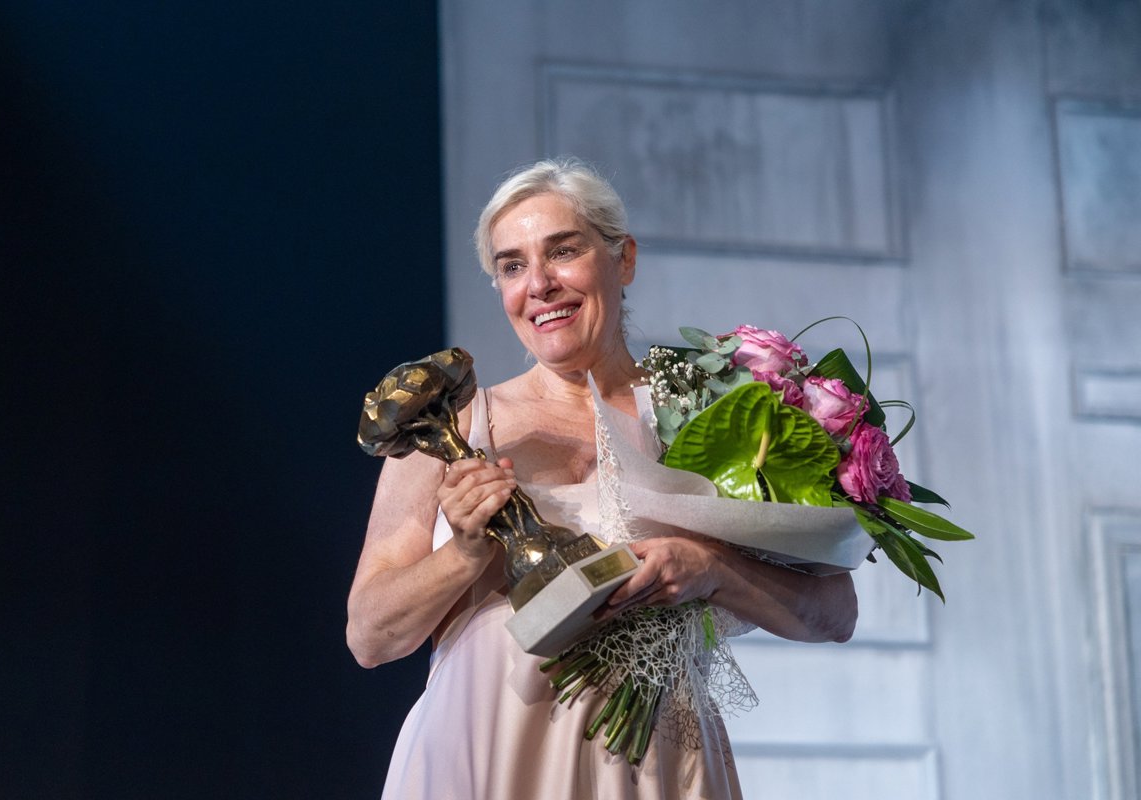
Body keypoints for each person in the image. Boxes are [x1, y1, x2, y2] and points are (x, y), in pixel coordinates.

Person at [347, 158, 858, 799]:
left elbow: (835, 612)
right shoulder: (448, 429)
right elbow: (370, 636)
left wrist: (711, 570)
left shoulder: (710, 416)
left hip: (654, 766)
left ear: (624, 259)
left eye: (563, 252)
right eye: (512, 266)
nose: (539, 284)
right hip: (484, 751)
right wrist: (465, 553)